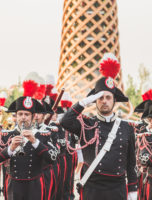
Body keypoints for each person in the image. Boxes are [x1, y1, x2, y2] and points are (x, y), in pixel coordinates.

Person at [60, 53, 138, 200]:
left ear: (114, 101)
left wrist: (132, 191)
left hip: (118, 188)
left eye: (108, 97)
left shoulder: (127, 127)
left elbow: (131, 163)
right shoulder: (87, 124)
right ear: (95, 100)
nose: (104, 101)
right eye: (100, 98)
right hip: (92, 188)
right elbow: (65, 121)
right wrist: (83, 102)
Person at [0, 75, 59, 200]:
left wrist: (34, 141)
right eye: (20, 114)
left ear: (33, 117)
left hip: (35, 185)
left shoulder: (43, 135)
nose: (23, 117)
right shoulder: (7, 134)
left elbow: (53, 158)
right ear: (16, 116)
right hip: (13, 184)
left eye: (27, 114)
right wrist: (10, 148)